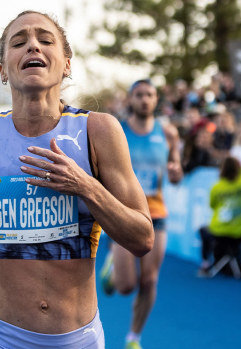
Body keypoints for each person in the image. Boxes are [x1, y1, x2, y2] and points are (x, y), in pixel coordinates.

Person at [0, 11, 153, 349]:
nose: (32, 47)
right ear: (2, 70)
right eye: (19, 42)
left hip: (80, 338)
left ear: (66, 63)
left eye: (45, 39)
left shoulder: (98, 131)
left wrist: (84, 185)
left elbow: (143, 238)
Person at [99, 79, 182, 349]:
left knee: (150, 280)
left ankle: (133, 338)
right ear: (131, 100)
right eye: (139, 95)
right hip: (124, 212)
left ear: (156, 100)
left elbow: (176, 171)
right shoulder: (117, 131)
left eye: (150, 95)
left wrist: (176, 173)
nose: (145, 100)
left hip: (156, 213)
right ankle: (112, 265)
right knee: (125, 287)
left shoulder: (168, 133)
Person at [198, 156, 241, 276]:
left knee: (203, 231)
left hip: (219, 231)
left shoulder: (216, 187)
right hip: (240, 231)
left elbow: (212, 205)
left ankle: (205, 262)